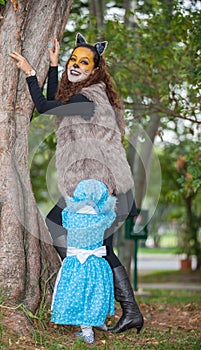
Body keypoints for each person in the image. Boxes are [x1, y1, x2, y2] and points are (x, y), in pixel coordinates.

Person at [10, 32, 144, 334]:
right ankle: (127, 310)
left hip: (96, 187)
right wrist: (55, 64)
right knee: (100, 248)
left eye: (83, 62)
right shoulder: (89, 96)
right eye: (74, 59)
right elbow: (59, 101)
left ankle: (99, 294)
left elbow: (46, 107)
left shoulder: (87, 99)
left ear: (95, 70)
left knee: (63, 227)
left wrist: (32, 73)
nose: (76, 64)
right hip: (97, 184)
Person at [51, 179, 116, 344]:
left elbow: (58, 217)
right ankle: (95, 322)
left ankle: (87, 331)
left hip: (75, 264)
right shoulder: (102, 218)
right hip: (95, 263)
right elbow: (111, 213)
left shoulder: (70, 216)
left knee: (79, 294)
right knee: (94, 293)